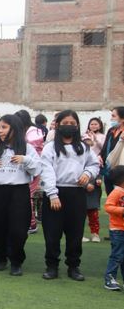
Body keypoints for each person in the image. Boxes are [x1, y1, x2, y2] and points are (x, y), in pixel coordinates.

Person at [40, 110, 100, 281]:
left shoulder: (84, 147)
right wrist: (52, 194)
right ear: (58, 125)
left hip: (76, 194)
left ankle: (73, 266)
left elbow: (94, 164)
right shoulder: (50, 147)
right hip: (55, 194)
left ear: (77, 126)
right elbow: (46, 170)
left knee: (75, 233)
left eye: (72, 124)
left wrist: (88, 173)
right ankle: (52, 266)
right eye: (65, 123)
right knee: (52, 233)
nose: (69, 126)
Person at [0, 114, 42, 276]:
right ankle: (1, 257)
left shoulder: (27, 148)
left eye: (4, 127)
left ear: (14, 128)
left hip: (19, 192)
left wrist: (25, 160)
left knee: (19, 229)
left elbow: (37, 169)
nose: (0, 131)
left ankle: (16, 261)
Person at [15, 110, 45, 235]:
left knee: (28, 196)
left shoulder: (33, 133)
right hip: (27, 167)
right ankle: (29, 222)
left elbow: (32, 152)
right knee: (27, 196)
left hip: (33, 168)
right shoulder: (30, 131)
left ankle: (31, 223)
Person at [82, 117, 105, 243]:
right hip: (82, 185)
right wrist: (86, 184)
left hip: (95, 179)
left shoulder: (97, 158)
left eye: (96, 124)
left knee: (93, 210)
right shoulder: (80, 157)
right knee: (80, 211)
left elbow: (98, 168)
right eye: (91, 124)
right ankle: (79, 234)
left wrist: (98, 179)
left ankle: (95, 233)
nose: (94, 126)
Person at [103, 165, 124, 290]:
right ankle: (109, 278)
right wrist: (121, 210)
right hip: (118, 230)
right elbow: (108, 207)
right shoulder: (117, 192)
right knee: (117, 255)